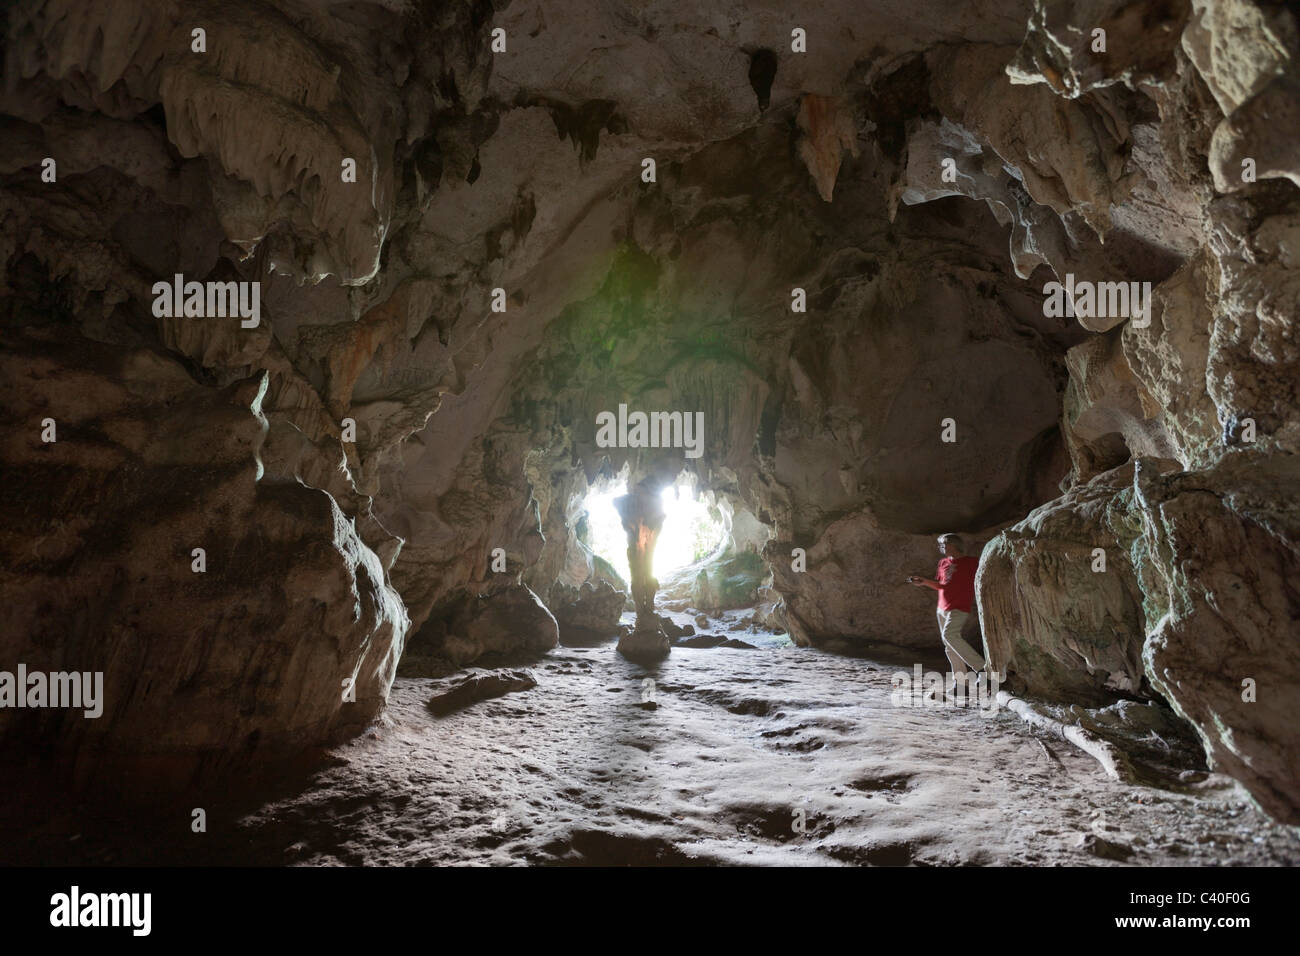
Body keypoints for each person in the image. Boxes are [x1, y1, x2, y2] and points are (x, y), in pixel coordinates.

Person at [908, 533, 985, 690]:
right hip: (942, 608)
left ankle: (982, 669)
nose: (941, 547)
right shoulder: (943, 563)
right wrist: (923, 582)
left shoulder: (972, 562)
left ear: (953, 545)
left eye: (943, 544)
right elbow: (942, 585)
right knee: (949, 646)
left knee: (950, 635)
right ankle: (961, 683)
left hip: (959, 607)